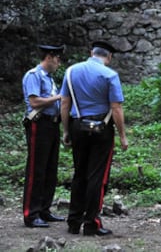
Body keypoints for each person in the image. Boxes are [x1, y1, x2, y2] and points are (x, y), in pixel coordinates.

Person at [60, 41, 128, 236]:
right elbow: (116, 108)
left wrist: (66, 131)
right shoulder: (110, 75)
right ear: (109, 57)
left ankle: (73, 222)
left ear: (91, 53)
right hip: (101, 129)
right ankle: (91, 223)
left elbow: (65, 103)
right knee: (97, 176)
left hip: (77, 126)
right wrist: (123, 136)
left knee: (79, 174)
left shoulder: (71, 71)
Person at [22, 44, 66, 228]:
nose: (58, 62)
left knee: (50, 170)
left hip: (52, 124)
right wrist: (58, 98)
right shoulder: (34, 75)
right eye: (57, 58)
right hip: (38, 124)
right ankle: (31, 214)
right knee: (36, 170)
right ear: (49, 57)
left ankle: (44, 210)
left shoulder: (49, 79)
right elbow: (34, 101)